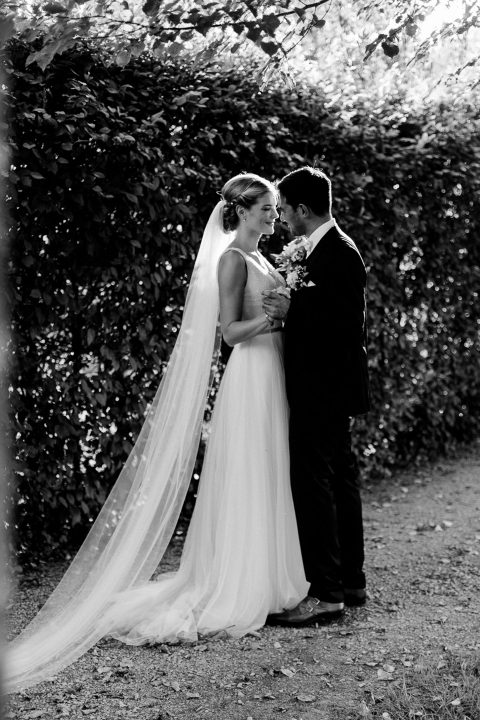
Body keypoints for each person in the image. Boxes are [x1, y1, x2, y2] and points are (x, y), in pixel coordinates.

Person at [6, 173, 308, 693]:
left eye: (276, 210)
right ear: (242, 210)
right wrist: (275, 322)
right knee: (251, 472)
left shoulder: (264, 259)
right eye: (267, 209)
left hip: (273, 374)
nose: (274, 217)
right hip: (251, 375)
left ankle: (272, 574)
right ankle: (238, 582)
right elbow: (231, 333)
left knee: (272, 471)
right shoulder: (233, 259)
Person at [263, 166, 370, 626]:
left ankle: (327, 595)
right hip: (330, 384)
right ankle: (350, 581)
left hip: (324, 385)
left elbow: (347, 327)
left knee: (315, 482)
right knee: (340, 478)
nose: (282, 217)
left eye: (284, 208)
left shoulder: (340, 253)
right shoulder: (320, 248)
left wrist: (294, 308)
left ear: (303, 209)